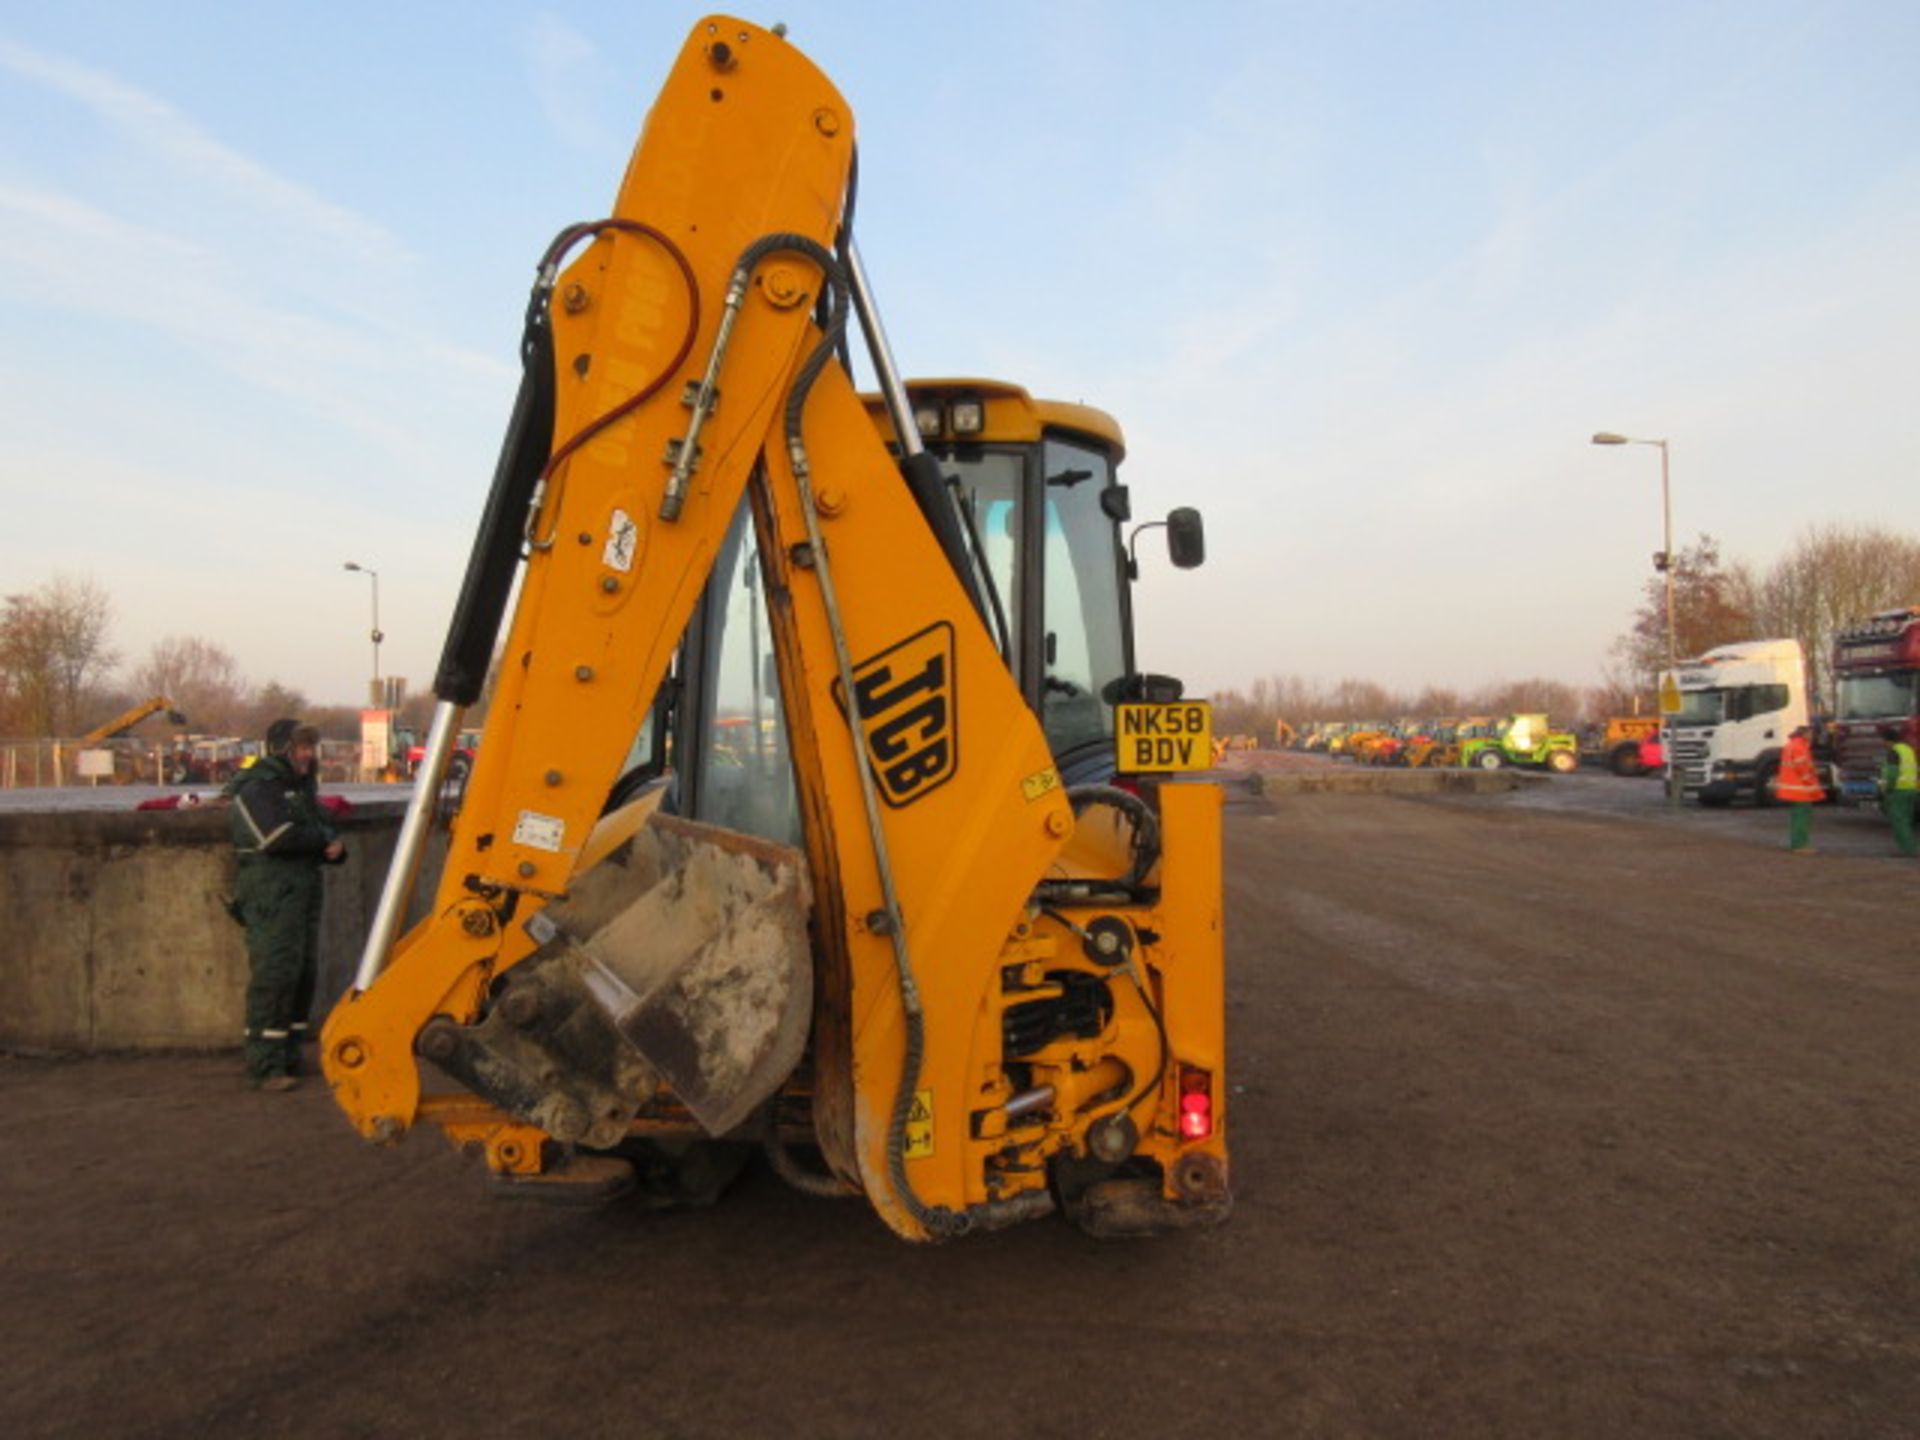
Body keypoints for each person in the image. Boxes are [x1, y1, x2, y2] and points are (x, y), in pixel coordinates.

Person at [227, 718, 343, 1090]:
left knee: (303, 973)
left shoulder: (300, 788)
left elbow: (318, 827)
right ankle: (265, 1063)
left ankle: (290, 1053)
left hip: (302, 888)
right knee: (274, 975)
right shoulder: (259, 788)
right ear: (283, 749)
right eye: (301, 748)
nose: (308, 756)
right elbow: (276, 836)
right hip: (271, 894)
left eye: (311, 747)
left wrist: (331, 847)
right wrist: (321, 840)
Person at [1774, 723, 1823, 853]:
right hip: (1800, 790)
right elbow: (1802, 769)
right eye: (1811, 733)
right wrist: (1811, 783)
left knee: (1796, 817)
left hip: (1792, 789)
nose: (1812, 736)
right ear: (1805, 734)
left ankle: (1796, 843)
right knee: (1802, 817)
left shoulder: (1790, 745)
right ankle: (1801, 845)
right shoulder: (1800, 747)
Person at [1881, 726, 1918, 858]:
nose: (1883, 744)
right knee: (1909, 820)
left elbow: (1891, 774)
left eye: (1883, 741)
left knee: (1899, 821)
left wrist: (1887, 790)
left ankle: (1909, 849)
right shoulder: (1908, 750)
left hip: (1898, 791)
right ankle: (1914, 846)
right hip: (1912, 789)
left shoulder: (1893, 752)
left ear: (1888, 741)